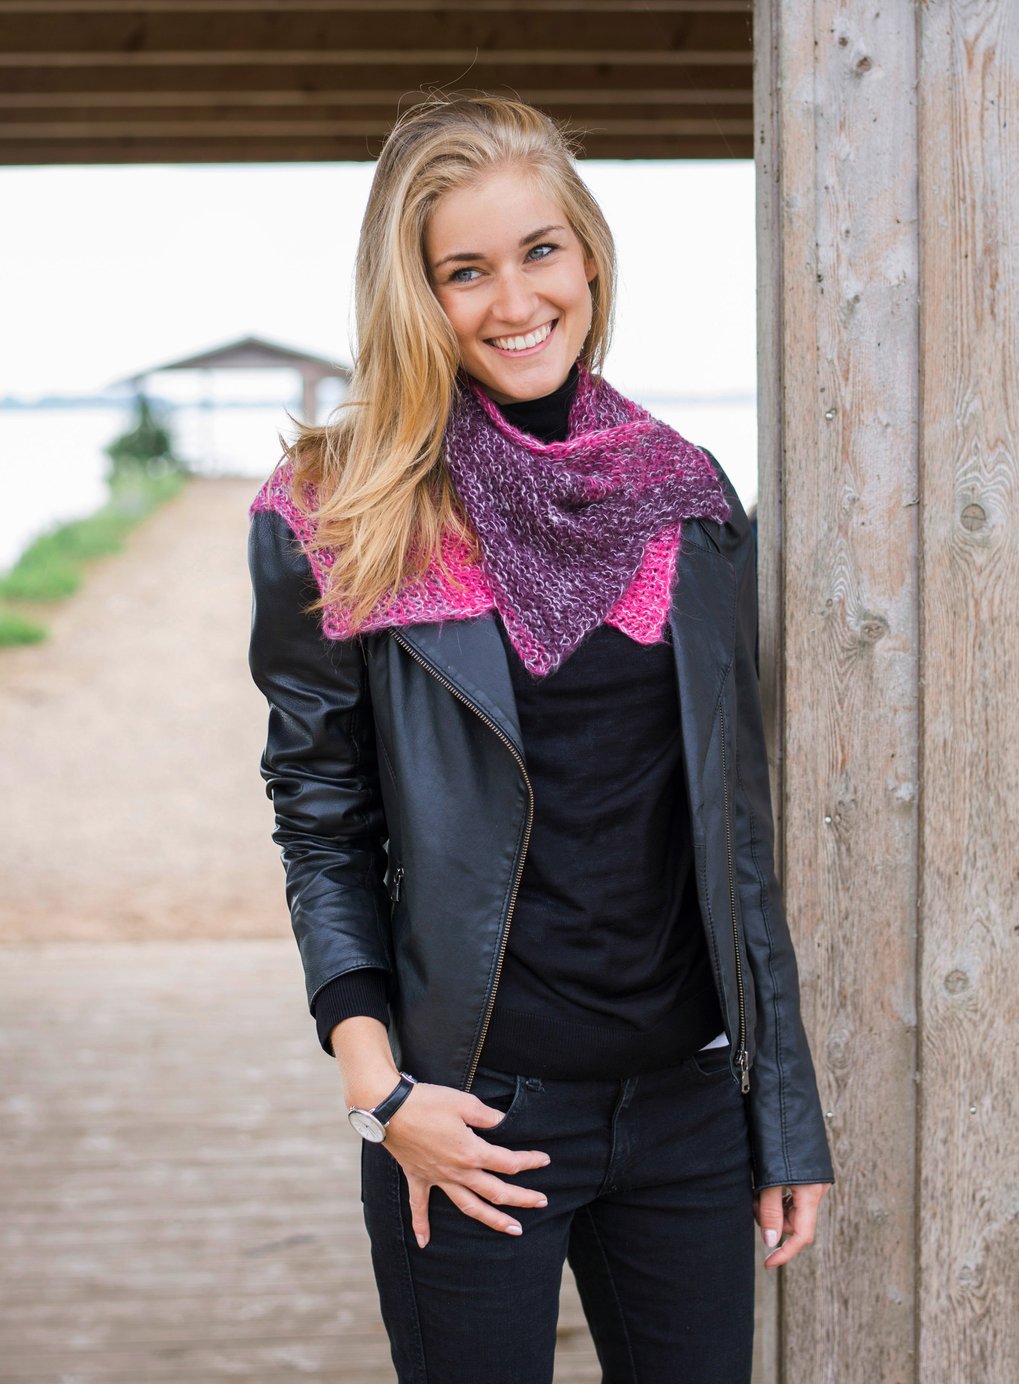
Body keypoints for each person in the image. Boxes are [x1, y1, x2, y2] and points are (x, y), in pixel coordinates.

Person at [247, 93, 834, 1384]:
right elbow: (321, 823)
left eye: (540, 251)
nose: (515, 300)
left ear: (588, 256)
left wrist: (782, 1116)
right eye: (466, 270)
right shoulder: (338, 516)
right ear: (415, 293)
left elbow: (737, 829)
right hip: (471, 1116)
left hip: (687, 1112)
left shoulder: (687, 500)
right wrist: (382, 1096)